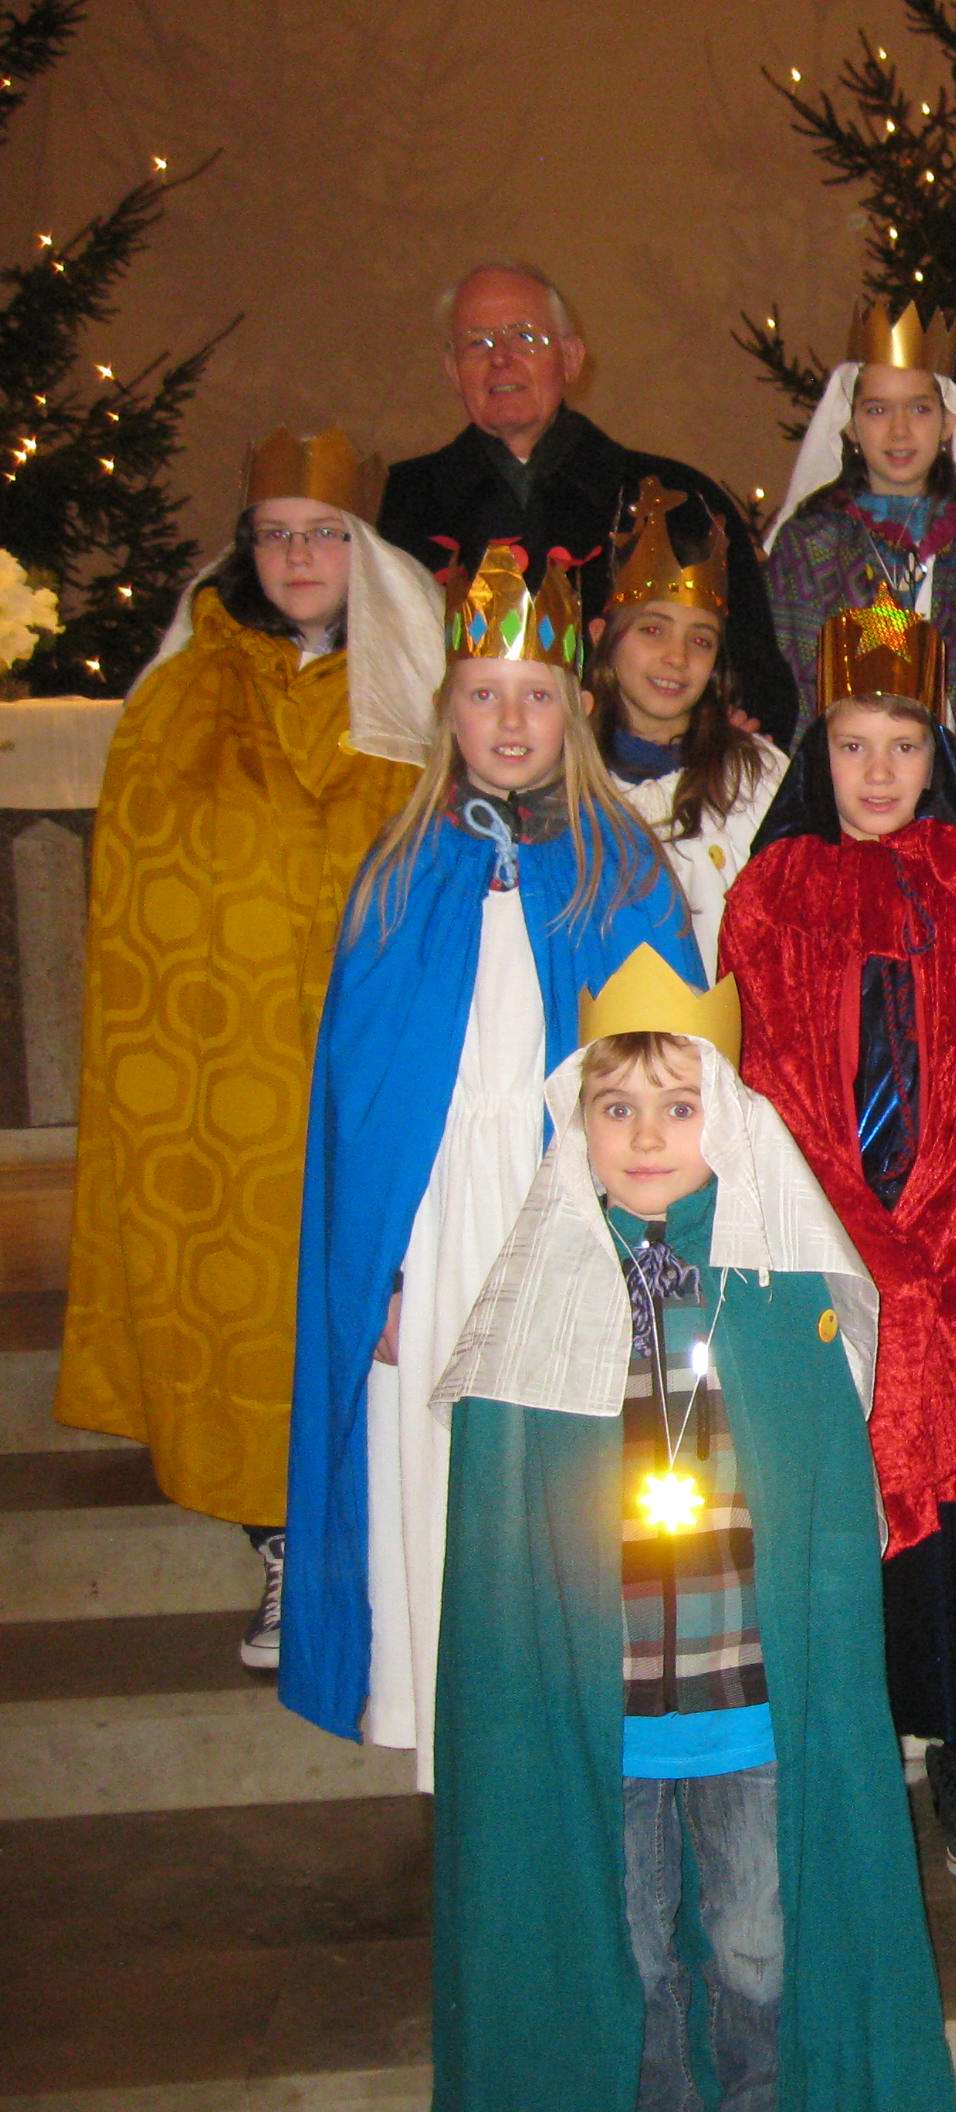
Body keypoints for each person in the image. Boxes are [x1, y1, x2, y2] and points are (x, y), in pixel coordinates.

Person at [428, 955, 955, 2111]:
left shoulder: (778, 1286)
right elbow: (509, 1529)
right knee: (634, 1953)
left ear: (731, 1120)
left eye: (680, 1107)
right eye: (616, 1109)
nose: (647, 1136)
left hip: (748, 1700)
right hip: (602, 1707)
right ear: (580, 1125)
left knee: (757, 1940)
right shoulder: (545, 1287)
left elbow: (820, 1492)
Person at [282, 543, 700, 1789]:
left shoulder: (623, 868)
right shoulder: (401, 873)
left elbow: (670, 1070)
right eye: (482, 693)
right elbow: (363, 1105)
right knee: (445, 1474)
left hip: (572, 1219)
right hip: (440, 1230)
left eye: (533, 695)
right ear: (445, 710)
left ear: (574, 706)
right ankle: (462, 1748)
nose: (508, 722)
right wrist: (383, 1277)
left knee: (575, 1493)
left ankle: (578, 1740)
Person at [57, 429, 439, 1671]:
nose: (297, 555)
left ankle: (393, 1559)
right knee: (250, 1308)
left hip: (369, 1059)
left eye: (323, 531)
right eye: (275, 533)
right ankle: (279, 1549)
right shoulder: (182, 689)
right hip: (221, 1070)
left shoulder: (421, 679)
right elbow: (140, 878)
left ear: (364, 551)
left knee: (379, 1299)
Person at [719, 585, 956, 1883]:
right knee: (836, 1502)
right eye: (854, 745)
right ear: (820, 753)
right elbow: (767, 1082)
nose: (879, 772)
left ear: (941, 755)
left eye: (905, 746)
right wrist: (861, 1241)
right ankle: (845, 1749)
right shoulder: (774, 893)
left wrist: (954, 1241)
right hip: (832, 1257)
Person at [378, 263, 798, 739]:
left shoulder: (677, 498)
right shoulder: (402, 503)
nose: (501, 360)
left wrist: (712, 742)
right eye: (478, 342)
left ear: (572, 358)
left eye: (525, 338)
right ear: (453, 371)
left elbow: (754, 684)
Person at [764, 298, 956, 729]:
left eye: (919, 408)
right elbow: (791, 679)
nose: (900, 430)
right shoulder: (809, 545)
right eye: (877, 410)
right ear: (850, 425)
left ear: (948, 423)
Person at [587, 478, 786, 970]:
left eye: (700, 640)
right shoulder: (565, 773)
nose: (676, 657)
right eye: (653, 630)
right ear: (603, 637)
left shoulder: (755, 777)